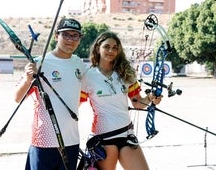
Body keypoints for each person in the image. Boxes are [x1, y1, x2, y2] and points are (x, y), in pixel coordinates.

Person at [81, 31, 163, 170]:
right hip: (104, 137)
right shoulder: (87, 75)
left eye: (115, 47)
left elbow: (137, 102)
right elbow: (75, 103)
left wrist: (151, 98)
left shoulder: (125, 72)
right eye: (107, 46)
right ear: (98, 48)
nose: (111, 50)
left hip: (126, 135)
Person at [14, 18, 86, 170]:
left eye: (75, 35)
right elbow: (17, 97)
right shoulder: (39, 63)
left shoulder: (79, 64)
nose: (70, 40)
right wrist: (27, 79)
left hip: (71, 141)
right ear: (56, 36)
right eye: (66, 34)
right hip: (44, 141)